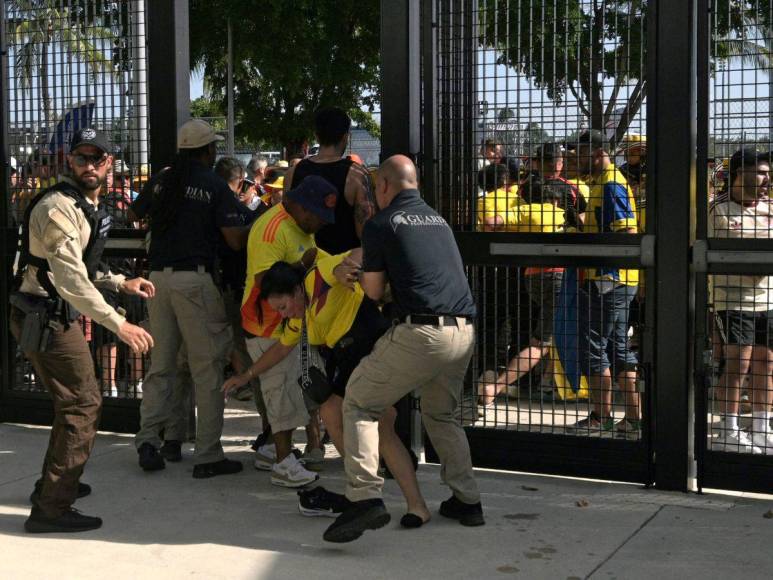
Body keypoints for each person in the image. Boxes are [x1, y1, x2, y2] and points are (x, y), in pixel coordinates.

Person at [323, 155, 482, 544]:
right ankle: (468, 501)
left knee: (359, 401)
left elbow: (375, 293)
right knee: (441, 416)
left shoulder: (381, 223)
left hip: (421, 334)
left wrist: (354, 275)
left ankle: (364, 497)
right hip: (463, 332)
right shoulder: (439, 221)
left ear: (383, 186)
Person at [10, 127, 154, 533]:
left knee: (71, 404)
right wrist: (119, 322)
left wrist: (119, 282)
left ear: (110, 164)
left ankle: (53, 486)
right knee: (83, 404)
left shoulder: (83, 204)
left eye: (97, 158)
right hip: (46, 315)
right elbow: (71, 280)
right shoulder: (58, 207)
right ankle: (52, 508)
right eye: (81, 158)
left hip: (52, 312)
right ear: (69, 162)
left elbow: (83, 270)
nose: (89, 165)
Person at [223, 253, 429, 523]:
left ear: (297, 290)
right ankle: (383, 497)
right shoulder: (299, 318)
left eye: (284, 306)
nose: (284, 314)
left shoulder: (316, 277)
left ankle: (375, 497)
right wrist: (246, 375)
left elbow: (361, 250)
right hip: (351, 358)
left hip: (369, 344)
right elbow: (282, 348)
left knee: (368, 422)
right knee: (353, 418)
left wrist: (350, 269)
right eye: (278, 311)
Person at [131, 119, 249, 478]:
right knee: (206, 368)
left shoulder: (164, 178)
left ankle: (149, 440)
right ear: (208, 151)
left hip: (157, 281)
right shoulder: (212, 184)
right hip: (194, 282)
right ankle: (209, 455)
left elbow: (137, 214)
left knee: (163, 366)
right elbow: (234, 240)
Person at [240, 175, 339, 487]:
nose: (320, 224)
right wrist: (302, 273)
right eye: (317, 217)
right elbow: (263, 283)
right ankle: (283, 463)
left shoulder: (300, 225)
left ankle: (276, 449)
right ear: (300, 206)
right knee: (280, 392)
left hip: (292, 324)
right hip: (268, 326)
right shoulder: (271, 229)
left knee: (301, 386)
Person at [564, 130, 640, 436]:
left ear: (596, 153)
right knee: (619, 350)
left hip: (609, 279)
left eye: (578, 153)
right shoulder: (601, 183)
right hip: (614, 279)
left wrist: (591, 248)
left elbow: (626, 234)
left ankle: (601, 416)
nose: (574, 159)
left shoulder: (610, 185)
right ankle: (634, 420)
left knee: (594, 347)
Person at [478, 175, 578, 405]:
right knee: (540, 341)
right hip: (559, 278)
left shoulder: (526, 211)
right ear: (557, 199)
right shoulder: (562, 214)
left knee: (549, 334)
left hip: (533, 276)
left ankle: (549, 383)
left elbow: (491, 222)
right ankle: (497, 387)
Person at [710, 147, 773, 454]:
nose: (766, 178)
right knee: (738, 364)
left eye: (767, 172)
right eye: (759, 172)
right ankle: (729, 430)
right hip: (731, 299)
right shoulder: (718, 210)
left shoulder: (771, 208)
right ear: (739, 173)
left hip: (768, 298)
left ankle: (762, 428)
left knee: (767, 361)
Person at [284, 107, 373, 255]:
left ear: (316, 136)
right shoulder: (357, 175)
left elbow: (285, 220)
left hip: (301, 266)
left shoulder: (293, 172)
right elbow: (367, 233)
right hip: (343, 268)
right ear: (346, 137)